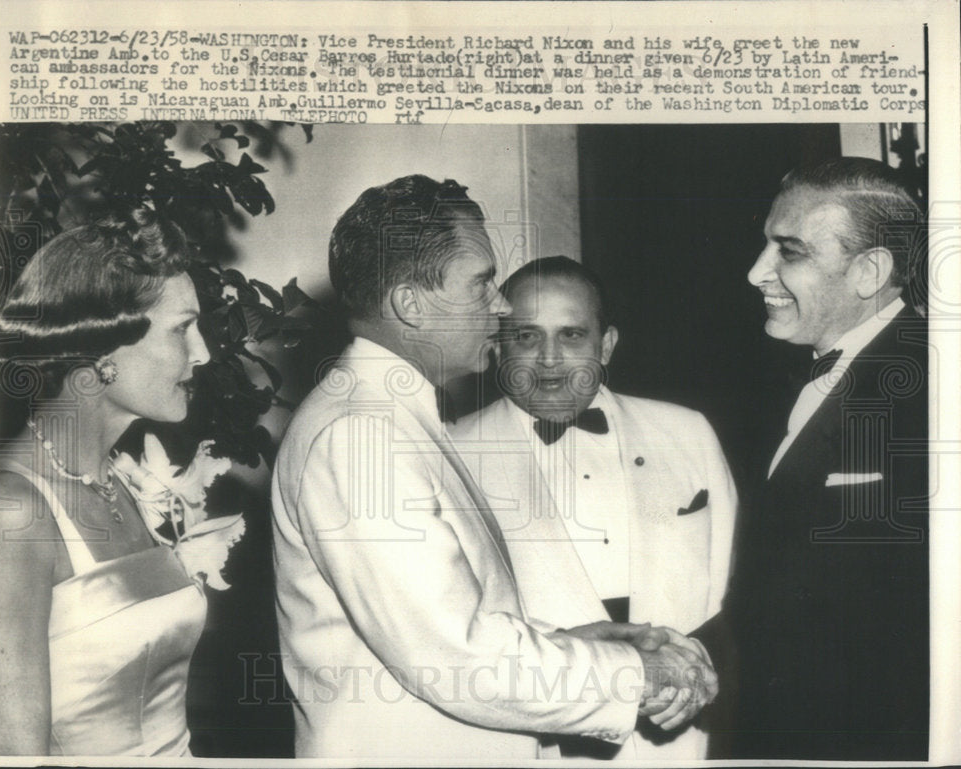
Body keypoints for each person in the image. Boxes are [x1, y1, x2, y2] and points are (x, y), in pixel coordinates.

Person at [270, 175, 717, 760]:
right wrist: (635, 675)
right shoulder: (360, 434)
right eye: (481, 283)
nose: (501, 304)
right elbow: (454, 657)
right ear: (411, 304)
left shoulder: (390, 417)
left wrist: (566, 642)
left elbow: (445, 625)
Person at [451, 255, 737, 759]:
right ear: (497, 347)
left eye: (572, 336)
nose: (549, 360)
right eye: (525, 336)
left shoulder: (687, 432)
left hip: (684, 741)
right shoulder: (452, 456)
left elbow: (733, 590)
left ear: (606, 345)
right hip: (541, 746)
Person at [693, 157, 929, 760]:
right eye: (763, 245)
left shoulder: (934, 391)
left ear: (870, 271)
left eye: (788, 252)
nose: (755, 273)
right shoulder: (780, 383)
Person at [0, 209, 212, 756]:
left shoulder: (120, 479)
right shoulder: (13, 510)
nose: (203, 353)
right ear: (105, 346)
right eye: (183, 328)